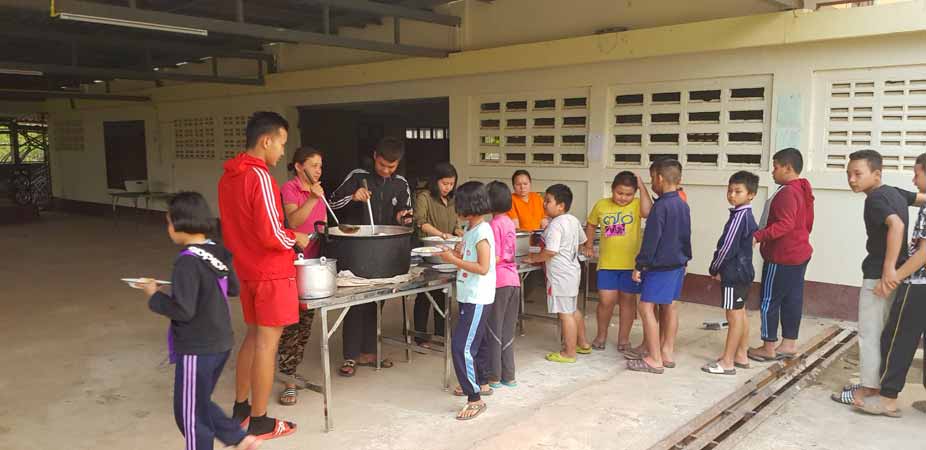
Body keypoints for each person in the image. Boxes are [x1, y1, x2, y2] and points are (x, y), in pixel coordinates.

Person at [140, 192, 261, 450]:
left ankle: (237, 438)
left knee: (190, 416)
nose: (168, 229)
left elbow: (183, 311)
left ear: (182, 222)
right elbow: (233, 288)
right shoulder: (217, 251)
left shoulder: (186, 261)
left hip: (198, 347)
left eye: (169, 222)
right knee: (196, 405)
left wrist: (154, 296)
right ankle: (238, 438)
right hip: (221, 342)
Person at [218, 111, 308, 440]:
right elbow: (272, 232)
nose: (283, 152)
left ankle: (241, 408)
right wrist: (295, 238)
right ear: (266, 141)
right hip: (271, 272)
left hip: (246, 269)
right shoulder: (260, 177)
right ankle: (260, 421)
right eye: (282, 144)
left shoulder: (228, 177)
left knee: (253, 338)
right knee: (267, 347)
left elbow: (234, 227)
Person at [832, 150, 922, 407]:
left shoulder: (875, 199)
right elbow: (921, 199)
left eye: (858, 174)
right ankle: (874, 383)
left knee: (869, 334)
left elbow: (897, 225)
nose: (851, 179)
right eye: (848, 174)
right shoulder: (894, 192)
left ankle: (868, 390)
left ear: (877, 174)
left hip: (879, 276)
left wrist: (888, 269)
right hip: (900, 276)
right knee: (883, 333)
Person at [329, 137, 412, 376]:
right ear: (375, 156)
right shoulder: (358, 176)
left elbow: (404, 215)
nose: (386, 170)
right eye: (382, 165)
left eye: (391, 167)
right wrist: (353, 197)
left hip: (385, 250)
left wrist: (404, 217)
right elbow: (331, 204)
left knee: (377, 301)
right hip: (356, 249)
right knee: (356, 302)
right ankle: (350, 355)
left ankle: (370, 352)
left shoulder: (400, 183)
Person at [867, 153, 926, 417]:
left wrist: (895, 276)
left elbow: (924, 253)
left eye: (917, 173)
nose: (913, 179)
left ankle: (887, 398)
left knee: (898, 338)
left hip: (919, 284)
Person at [748, 148, 815, 363]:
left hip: (781, 256)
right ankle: (789, 344)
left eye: (776, 167)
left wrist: (758, 236)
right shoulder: (803, 189)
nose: (773, 172)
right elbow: (807, 222)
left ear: (788, 168)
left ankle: (768, 347)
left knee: (769, 300)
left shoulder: (787, 192)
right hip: (800, 253)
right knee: (792, 299)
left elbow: (785, 224)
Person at [437, 181, 496, 420]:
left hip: (477, 296)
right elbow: (470, 258)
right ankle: (480, 383)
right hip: (468, 294)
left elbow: (483, 267)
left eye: (459, 204)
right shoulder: (470, 229)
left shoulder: (482, 232)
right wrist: (456, 253)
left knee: (461, 346)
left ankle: (475, 398)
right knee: (476, 343)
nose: (456, 208)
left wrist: (453, 260)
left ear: (470, 206)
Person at [628, 159, 691, 374]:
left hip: (660, 267)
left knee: (646, 307)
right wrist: (685, 260)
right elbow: (686, 235)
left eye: (652, 178)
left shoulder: (661, 207)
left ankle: (654, 359)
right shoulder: (682, 203)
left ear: (660, 178)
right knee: (670, 306)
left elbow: (651, 240)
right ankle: (666, 352)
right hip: (678, 264)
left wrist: (640, 265)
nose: (652, 182)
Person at [276, 147, 327, 406]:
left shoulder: (319, 191)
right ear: (299, 166)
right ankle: (287, 379)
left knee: (306, 322)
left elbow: (323, 224)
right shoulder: (290, 189)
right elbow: (293, 222)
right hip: (293, 262)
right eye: (314, 165)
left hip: (315, 264)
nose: (319, 170)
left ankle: (291, 372)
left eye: (320, 166)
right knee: (291, 323)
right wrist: (311, 199)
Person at [583, 171, 653, 354]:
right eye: (619, 193)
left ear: (634, 193)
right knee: (606, 301)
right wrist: (588, 244)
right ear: (612, 189)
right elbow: (591, 224)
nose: (623, 197)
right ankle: (601, 336)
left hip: (631, 266)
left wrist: (641, 184)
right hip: (607, 264)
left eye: (629, 194)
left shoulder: (637, 205)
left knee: (628, 302)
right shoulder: (601, 204)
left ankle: (623, 338)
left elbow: (648, 212)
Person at [524, 184, 590, 363]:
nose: (544, 204)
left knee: (564, 313)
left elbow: (550, 251)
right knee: (572, 309)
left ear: (561, 206)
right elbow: (582, 241)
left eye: (548, 201)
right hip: (573, 271)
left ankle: (569, 352)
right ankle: (583, 343)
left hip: (560, 275)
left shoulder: (555, 225)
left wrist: (534, 258)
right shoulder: (573, 220)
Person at [702, 171, 759, 375]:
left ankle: (727, 362)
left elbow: (726, 248)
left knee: (733, 316)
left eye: (738, 191)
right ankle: (741, 355)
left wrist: (714, 267)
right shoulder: (746, 215)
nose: (732, 195)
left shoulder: (740, 217)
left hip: (733, 274)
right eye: (730, 191)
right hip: (743, 272)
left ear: (751, 195)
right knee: (740, 313)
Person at [413, 162, 462, 349]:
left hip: (447, 252)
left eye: (451, 184)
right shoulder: (424, 197)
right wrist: (441, 235)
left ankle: (441, 334)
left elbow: (456, 224)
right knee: (425, 293)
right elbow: (421, 222)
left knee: (442, 292)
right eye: (444, 183)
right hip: (427, 250)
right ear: (435, 181)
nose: (448, 187)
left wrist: (459, 232)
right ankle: (420, 336)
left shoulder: (452, 200)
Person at [485, 181, 521, 387]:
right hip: (513, 279)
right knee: (508, 329)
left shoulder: (493, 225)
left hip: (498, 281)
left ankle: (494, 376)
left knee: (494, 329)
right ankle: (509, 375)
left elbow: (495, 257)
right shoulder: (509, 222)